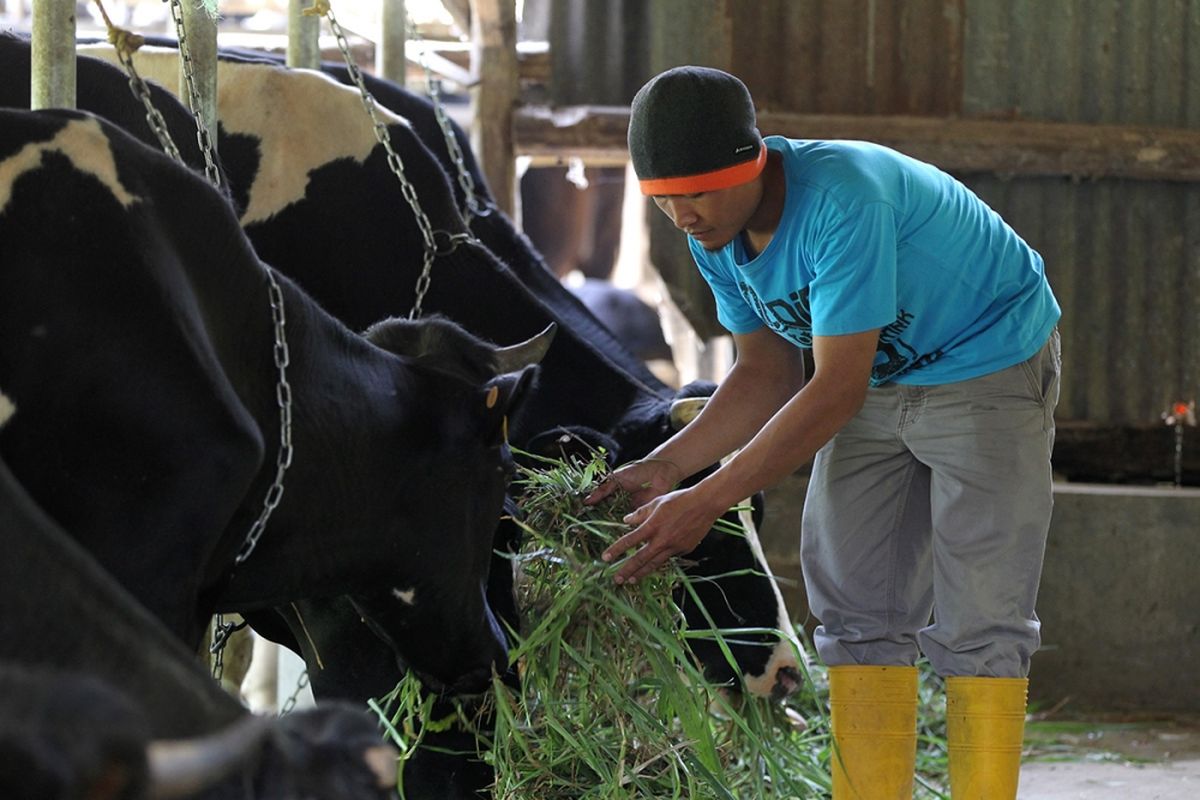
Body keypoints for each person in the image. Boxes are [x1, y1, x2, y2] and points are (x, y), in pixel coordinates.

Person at [585, 65, 1061, 799]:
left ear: (753, 162)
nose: (683, 216)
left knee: (982, 617)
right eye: (663, 199)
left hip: (983, 360)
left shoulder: (842, 199)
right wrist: (667, 465)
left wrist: (708, 499)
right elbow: (765, 373)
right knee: (853, 602)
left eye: (700, 191)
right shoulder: (713, 232)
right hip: (873, 374)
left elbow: (832, 387)